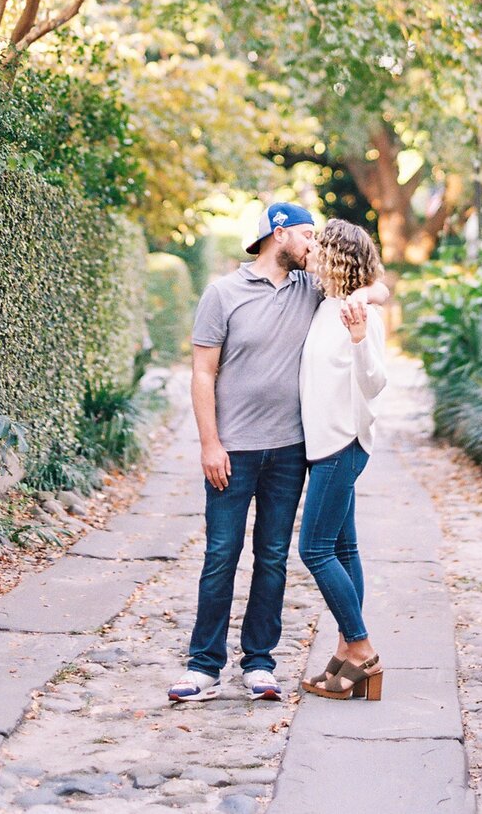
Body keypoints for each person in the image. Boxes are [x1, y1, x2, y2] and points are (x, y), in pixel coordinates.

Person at [167, 202, 388, 703]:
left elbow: (371, 285)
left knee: (273, 558)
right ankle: (203, 666)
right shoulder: (222, 293)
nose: (315, 246)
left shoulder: (313, 289)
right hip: (232, 450)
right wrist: (209, 443)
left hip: (291, 450)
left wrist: (371, 294)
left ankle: (260, 664)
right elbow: (203, 373)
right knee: (221, 555)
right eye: (308, 235)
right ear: (279, 232)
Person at [297, 219, 387, 700]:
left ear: (335, 257)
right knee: (344, 549)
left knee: (313, 549)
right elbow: (382, 286)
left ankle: (362, 648)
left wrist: (357, 340)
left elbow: (375, 383)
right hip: (323, 444)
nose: (309, 251)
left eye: (318, 246)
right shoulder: (327, 303)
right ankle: (345, 654)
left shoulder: (357, 313)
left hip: (342, 443)